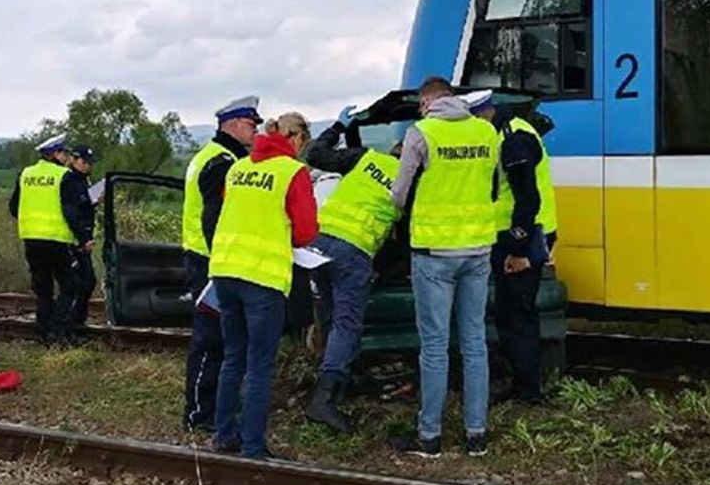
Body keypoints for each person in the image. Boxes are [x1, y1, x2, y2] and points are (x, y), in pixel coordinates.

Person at [390, 76, 500, 458]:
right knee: (474, 342)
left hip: (435, 252)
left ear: (426, 103)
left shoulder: (421, 133)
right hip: (478, 249)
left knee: (435, 346)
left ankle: (430, 437)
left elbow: (399, 194)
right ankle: (476, 435)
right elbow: (494, 187)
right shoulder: (486, 132)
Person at [211, 112, 318, 459]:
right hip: (263, 278)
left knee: (233, 357)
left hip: (225, 271)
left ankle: (224, 436)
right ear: (296, 139)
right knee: (260, 365)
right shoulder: (293, 172)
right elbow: (305, 232)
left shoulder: (239, 168)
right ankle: (253, 447)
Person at [303, 105, 401, 433]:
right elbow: (407, 241)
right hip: (352, 252)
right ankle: (324, 400)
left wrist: (338, 127)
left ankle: (342, 378)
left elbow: (315, 154)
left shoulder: (365, 159)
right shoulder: (411, 181)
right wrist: (383, 269)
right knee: (347, 325)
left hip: (319, 242)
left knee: (330, 319)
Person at [181, 95, 262, 431]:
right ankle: (200, 412)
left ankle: (211, 407)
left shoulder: (217, 156)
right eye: (251, 125)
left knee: (219, 336)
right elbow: (214, 219)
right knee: (211, 338)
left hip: (207, 258)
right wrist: (225, 261)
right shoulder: (222, 163)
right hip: (211, 261)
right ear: (232, 124)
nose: (255, 131)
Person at [470, 95, 558, 406]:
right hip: (515, 234)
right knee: (510, 314)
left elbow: (527, 199)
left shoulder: (514, 139)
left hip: (525, 236)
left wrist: (520, 249)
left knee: (518, 316)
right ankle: (522, 384)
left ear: (483, 113)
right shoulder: (503, 132)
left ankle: (529, 393)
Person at [9, 134, 78, 343]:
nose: (67, 157)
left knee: (43, 288)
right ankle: (57, 332)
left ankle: (43, 330)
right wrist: (82, 238)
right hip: (57, 240)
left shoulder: (25, 174)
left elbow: (14, 208)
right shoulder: (64, 175)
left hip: (31, 239)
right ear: (55, 154)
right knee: (69, 286)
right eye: (64, 153)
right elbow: (71, 212)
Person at [56, 143, 98, 343]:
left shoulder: (82, 181)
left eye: (89, 163)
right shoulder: (71, 181)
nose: (87, 165)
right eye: (84, 162)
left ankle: (76, 326)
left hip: (81, 240)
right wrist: (84, 239)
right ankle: (68, 330)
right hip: (74, 243)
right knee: (77, 285)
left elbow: (83, 208)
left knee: (87, 282)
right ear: (74, 160)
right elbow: (71, 213)